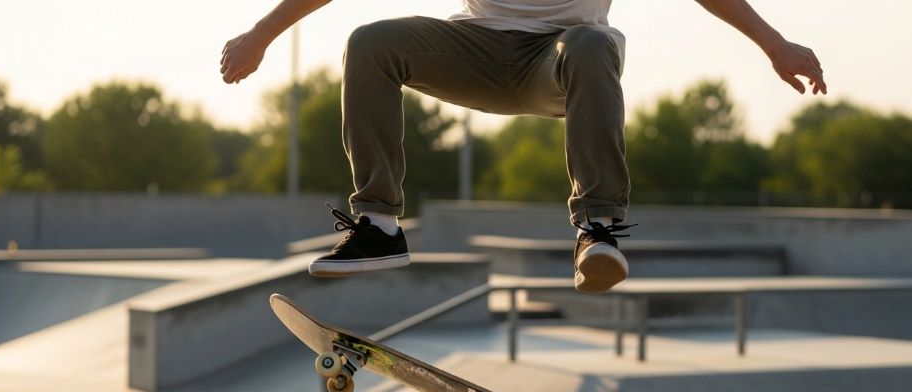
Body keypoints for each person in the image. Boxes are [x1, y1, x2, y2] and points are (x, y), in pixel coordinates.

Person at [221, 0, 826, 293]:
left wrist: (773, 44)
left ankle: (597, 228)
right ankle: (379, 223)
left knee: (591, 43)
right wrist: (262, 34)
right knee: (371, 42)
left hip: (558, 60)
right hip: (474, 51)